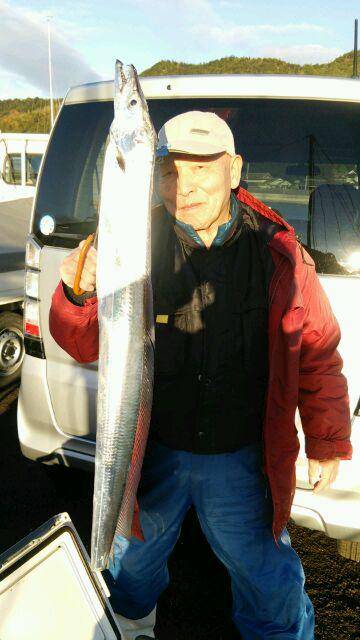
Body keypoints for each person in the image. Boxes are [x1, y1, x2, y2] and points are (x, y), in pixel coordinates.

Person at [49, 111, 352, 640]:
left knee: (264, 574)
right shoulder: (132, 244)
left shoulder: (278, 252)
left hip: (240, 456)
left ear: (234, 170)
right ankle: (128, 624)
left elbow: (317, 351)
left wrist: (327, 439)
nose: (182, 186)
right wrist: (78, 293)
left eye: (201, 167)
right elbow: (80, 342)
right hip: (155, 450)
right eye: (168, 170)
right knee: (132, 564)